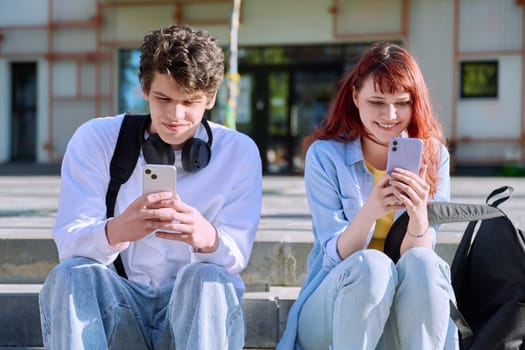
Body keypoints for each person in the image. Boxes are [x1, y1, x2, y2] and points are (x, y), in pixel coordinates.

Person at [39, 25, 262, 350]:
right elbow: (69, 248)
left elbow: (234, 258)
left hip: (193, 309)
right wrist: (116, 231)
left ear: (211, 98)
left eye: (191, 101)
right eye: (163, 98)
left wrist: (207, 238)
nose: (176, 115)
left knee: (208, 278)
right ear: (144, 89)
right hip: (120, 301)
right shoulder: (96, 139)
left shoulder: (239, 153)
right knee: (71, 275)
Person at [277, 42, 458, 350]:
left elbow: (418, 257)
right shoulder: (325, 156)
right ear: (355, 97)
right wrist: (371, 210)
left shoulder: (433, 155)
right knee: (371, 266)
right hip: (333, 307)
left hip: (404, 311)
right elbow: (336, 255)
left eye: (402, 103)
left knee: (425, 263)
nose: (390, 115)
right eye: (376, 101)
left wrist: (417, 215)